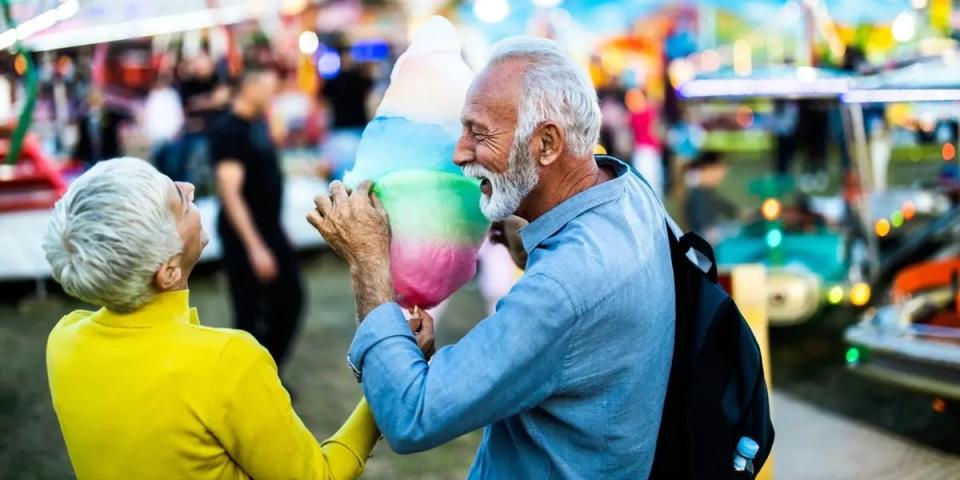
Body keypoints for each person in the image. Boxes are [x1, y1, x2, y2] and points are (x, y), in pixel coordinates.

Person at [308, 37, 676, 478]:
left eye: (479, 134)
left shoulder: (563, 290)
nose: (459, 153)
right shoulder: (627, 190)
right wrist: (529, 231)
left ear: (546, 144)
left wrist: (368, 260)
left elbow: (410, 416)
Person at [41, 157, 432, 479]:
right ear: (168, 272)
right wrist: (388, 381)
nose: (189, 188)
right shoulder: (227, 361)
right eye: (180, 200)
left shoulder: (64, 339)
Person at [209, 68, 304, 372]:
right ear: (248, 88)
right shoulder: (228, 130)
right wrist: (255, 247)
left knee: (289, 300)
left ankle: (265, 373)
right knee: (249, 312)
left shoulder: (257, 124)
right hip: (245, 235)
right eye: (268, 88)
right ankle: (250, 382)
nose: (273, 94)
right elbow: (229, 191)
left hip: (268, 230)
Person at [72, 87, 131, 166]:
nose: (95, 100)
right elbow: (82, 141)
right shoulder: (84, 119)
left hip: (109, 156)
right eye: (93, 98)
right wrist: (77, 156)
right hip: (91, 158)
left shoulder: (110, 114)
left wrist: (111, 103)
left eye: (98, 98)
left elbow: (127, 114)